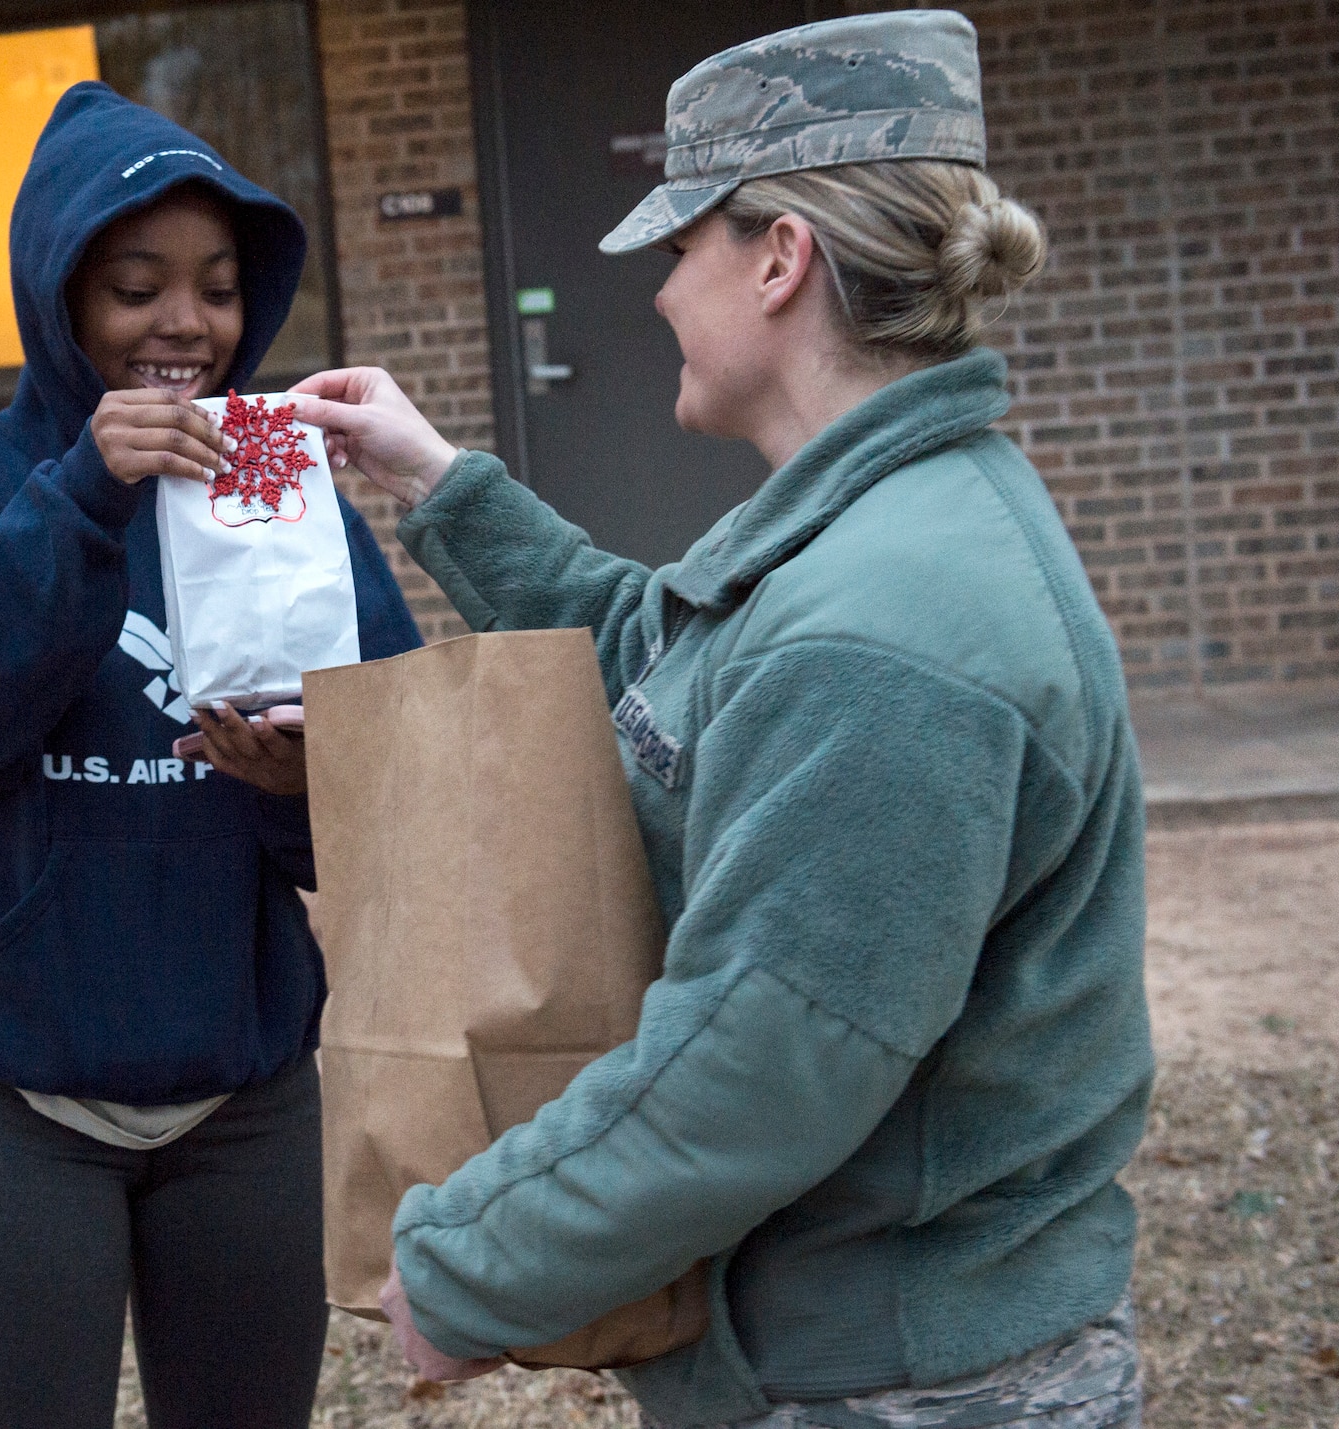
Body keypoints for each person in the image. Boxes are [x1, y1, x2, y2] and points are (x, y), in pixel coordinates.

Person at [292, 13, 1152, 1429]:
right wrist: (437, 479)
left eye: (680, 247)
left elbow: (756, 1073)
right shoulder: (872, 531)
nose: (659, 293)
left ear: (780, 258)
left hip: (898, 1385)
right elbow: (664, 661)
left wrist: (460, 1263)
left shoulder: (887, 633)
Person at [0, 83, 420, 1429]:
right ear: (61, 297)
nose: (184, 325)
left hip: (245, 1087)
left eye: (216, 288)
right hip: (24, 1090)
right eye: (136, 286)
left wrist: (297, 790)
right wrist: (81, 498)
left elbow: (395, 800)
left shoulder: (280, 481)